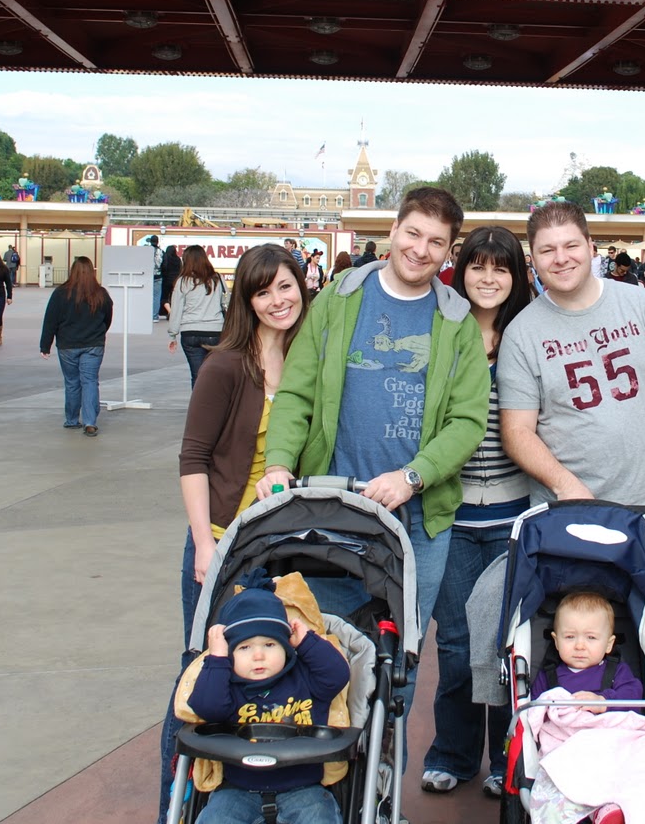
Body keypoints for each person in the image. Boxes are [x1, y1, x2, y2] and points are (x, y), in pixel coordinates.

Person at [259, 186, 489, 764]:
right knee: (321, 648)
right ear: (394, 230)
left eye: (436, 241)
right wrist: (279, 463)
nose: (420, 249)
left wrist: (413, 476)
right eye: (413, 233)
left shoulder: (455, 321)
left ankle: (382, 785)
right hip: (333, 513)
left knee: (398, 661)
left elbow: (467, 421)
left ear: (448, 251)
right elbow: (297, 392)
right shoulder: (340, 298)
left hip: (417, 522)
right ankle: (322, 782)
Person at [159, 243, 310, 818]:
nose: (278, 300)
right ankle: (173, 807)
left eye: (286, 286)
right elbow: (193, 458)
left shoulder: (306, 361)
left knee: (277, 670)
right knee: (203, 671)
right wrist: (204, 543)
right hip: (224, 541)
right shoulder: (225, 365)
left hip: (283, 549)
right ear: (246, 301)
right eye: (263, 292)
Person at [498, 202, 645, 513]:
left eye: (571, 245)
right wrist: (566, 486)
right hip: (569, 510)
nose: (561, 258)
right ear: (534, 259)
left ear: (590, 247)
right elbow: (517, 430)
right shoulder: (521, 333)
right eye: (547, 250)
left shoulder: (644, 305)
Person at [422, 226, 533, 799]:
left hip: (515, 515)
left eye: (501, 268)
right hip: (453, 516)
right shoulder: (443, 330)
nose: (488, 278)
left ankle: (504, 757)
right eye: (477, 266)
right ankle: (453, 753)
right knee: (457, 643)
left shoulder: (529, 336)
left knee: (510, 643)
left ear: (517, 277)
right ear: (460, 271)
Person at [184, 580, 350, 824]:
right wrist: (217, 658)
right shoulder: (226, 685)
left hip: (303, 788)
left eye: (270, 644)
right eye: (244, 648)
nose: (258, 655)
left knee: (319, 817)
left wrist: (306, 641)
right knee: (215, 818)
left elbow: (338, 675)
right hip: (237, 790)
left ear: (286, 646)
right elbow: (207, 707)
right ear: (230, 653)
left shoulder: (305, 678)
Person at [527, 591, 643, 710]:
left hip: (606, 721)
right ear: (556, 641)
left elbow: (633, 696)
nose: (579, 646)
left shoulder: (617, 671)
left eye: (591, 637)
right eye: (570, 637)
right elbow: (534, 709)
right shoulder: (548, 674)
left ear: (609, 644)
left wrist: (603, 702)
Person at [39, 256, 114, 437]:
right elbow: (107, 318)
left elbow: (50, 320)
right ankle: (90, 422)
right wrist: (99, 333)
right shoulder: (101, 293)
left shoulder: (60, 293)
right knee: (90, 381)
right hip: (93, 344)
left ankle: (72, 419)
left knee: (72, 382)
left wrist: (45, 345)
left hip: (67, 345)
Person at [166, 244, 228, 387]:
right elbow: (227, 303)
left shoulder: (183, 281)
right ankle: (215, 400)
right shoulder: (217, 279)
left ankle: (198, 401)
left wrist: (172, 335)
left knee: (197, 375)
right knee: (214, 374)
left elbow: (176, 310)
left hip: (190, 332)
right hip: (215, 332)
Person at [158, 245, 182, 319]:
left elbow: (164, 268)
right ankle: (174, 312)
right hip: (176, 281)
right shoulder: (178, 259)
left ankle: (170, 312)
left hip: (167, 280)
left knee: (164, 297)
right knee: (174, 298)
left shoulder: (166, 258)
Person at [145, 235, 164, 320]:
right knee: (156, 297)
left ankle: (146, 315)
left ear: (150, 242)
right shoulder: (161, 252)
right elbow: (165, 265)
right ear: (157, 242)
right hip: (158, 276)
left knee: (146, 296)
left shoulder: (146, 251)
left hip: (147, 276)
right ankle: (154, 316)